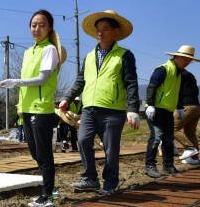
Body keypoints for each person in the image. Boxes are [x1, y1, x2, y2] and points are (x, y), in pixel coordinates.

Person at [59, 10, 140, 195]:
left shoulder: (124, 55)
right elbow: (81, 80)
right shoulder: (89, 57)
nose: (100, 33)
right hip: (89, 108)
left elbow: (131, 83)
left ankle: (110, 183)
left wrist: (133, 109)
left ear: (115, 32)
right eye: (98, 30)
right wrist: (67, 98)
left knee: (111, 149)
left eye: (105, 29)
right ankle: (90, 178)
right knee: (83, 140)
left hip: (113, 110)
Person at [1, 9, 65, 207]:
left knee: (44, 155)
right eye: (33, 25)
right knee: (36, 154)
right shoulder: (30, 51)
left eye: (42, 25)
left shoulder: (50, 50)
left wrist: (16, 82)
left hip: (41, 110)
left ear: (50, 28)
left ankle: (47, 197)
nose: (37, 28)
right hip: (27, 109)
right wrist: (20, 104)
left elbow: (42, 79)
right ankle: (51, 188)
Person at [144, 45, 200, 177]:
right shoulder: (163, 69)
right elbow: (151, 87)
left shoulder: (179, 74)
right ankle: (149, 165)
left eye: (189, 60)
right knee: (156, 137)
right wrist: (151, 105)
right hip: (155, 110)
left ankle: (168, 166)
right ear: (177, 57)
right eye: (185, 59)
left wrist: (180, 107)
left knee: (169, 139)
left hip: (168, 111)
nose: (187, 62)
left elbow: (176, 92)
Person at [174, 67, 200, 164]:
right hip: (196, 107)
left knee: (171, 127)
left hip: (185, 107)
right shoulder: (190, 75)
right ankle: (194, 158)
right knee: (189, 132)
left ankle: (190, 148)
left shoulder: (179, 75)